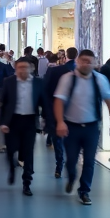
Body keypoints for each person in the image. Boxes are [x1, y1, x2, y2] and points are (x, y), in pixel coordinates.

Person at [54, 49, 110, 205]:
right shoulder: (68, 79)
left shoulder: (100, 80)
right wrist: (60, 122)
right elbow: (59, 101)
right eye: (83, 61)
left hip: (91, 127)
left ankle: (84, 191)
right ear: (77, 62)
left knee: (89, 161)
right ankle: (71, 177)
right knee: (71, 160)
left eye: (90, 61)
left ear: (95, 63)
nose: (87, 64)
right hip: (71, 126)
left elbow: (109, 100)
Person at [0, 57, 47, 196]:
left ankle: (27, 183)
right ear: (15, 68)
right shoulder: (9, 82)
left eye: (25, 67)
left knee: (28, 152)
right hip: (12, 121)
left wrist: (46, 121)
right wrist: (3, 123)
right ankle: (12, 169)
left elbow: (44, 102)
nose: (23, 70)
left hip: (29, 122)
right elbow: (3, 103)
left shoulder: (38, 83)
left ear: (31, 68)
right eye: (20, 68)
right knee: (10, 150)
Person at [43, 48, 77, 177]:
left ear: (65, 56)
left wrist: (46, 113)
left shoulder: (55, 71)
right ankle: (69, 167)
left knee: (58, 142)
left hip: (56, 111)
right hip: (74, 113)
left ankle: (59, 165)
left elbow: (45, 91)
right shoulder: (78, 71)